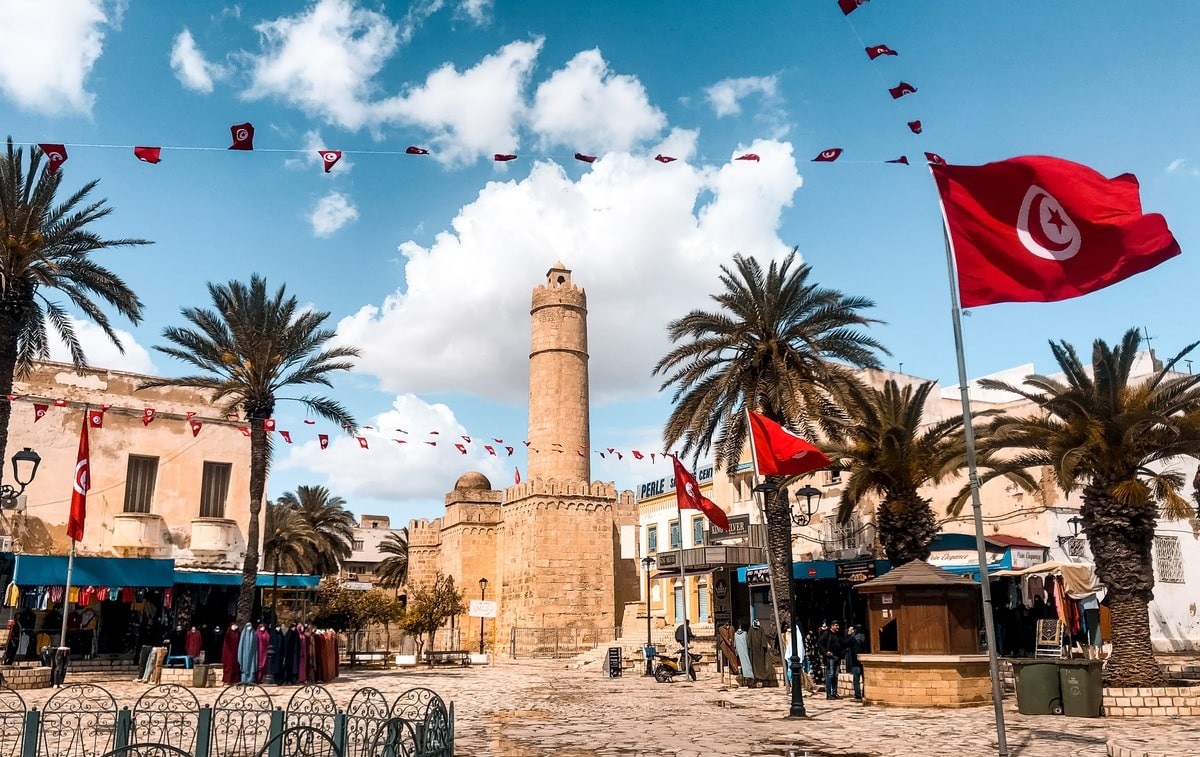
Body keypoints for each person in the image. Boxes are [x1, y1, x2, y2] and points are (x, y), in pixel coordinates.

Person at [816, 620, 844, 699]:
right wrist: (826, 652)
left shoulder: (838, 634)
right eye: (836, 625)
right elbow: (819, 643)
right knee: (830, 675)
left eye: (838, 625)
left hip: (837, 656)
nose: (837, 627)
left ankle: (834, 692)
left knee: (835, 675)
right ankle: (829, 693)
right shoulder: (826, 634)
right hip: (830, 657)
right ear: (832, 626)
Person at [844, 624, 866, 700]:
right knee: (864, 679)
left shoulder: (853, 638)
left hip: (855, 660)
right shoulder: (865, 637)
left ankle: (858, 694)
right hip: (864, 660)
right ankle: (864, 693)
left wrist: (849, 635)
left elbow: (845, 643)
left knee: (856, 679)